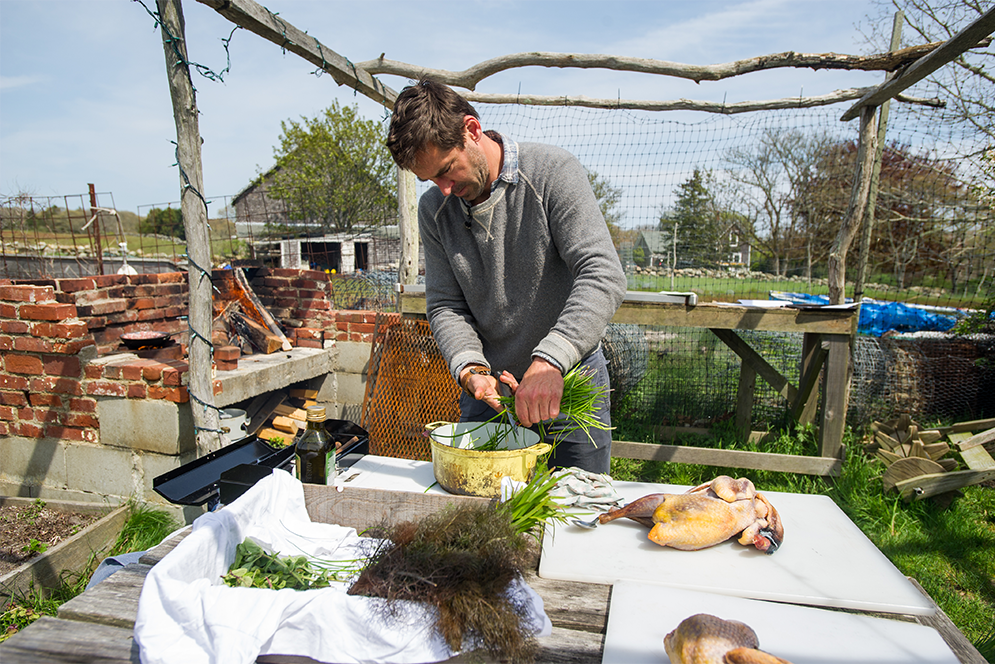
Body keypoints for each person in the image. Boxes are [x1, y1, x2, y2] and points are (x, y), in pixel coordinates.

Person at [386, 79, 626, 473]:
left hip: (568, 381)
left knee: (578, 509)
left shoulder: (552, 172)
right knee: (485, 519)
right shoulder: (435, 210)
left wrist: (551, 360)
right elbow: (446, 304)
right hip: (491, 394)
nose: (443, 190)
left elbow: (602, 273)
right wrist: (471, 370)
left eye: (447, 170)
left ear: (472, 130)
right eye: (431, 180)